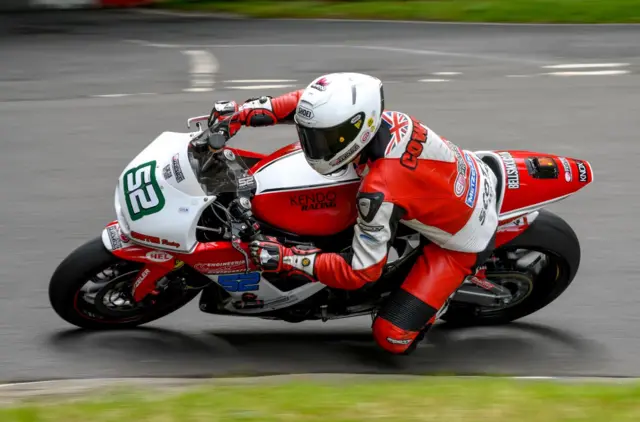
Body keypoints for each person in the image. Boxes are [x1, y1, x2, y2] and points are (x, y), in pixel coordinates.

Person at [207, 72, 499, 355]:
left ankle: (442, 297)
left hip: (463, 238)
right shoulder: (382, 121)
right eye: (312, 137)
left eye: (325, 139)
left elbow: (360, 272)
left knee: (392, 338)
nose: (314, 146)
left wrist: (287, 258)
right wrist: (242, 113)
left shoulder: (379, 189)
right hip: (449, 182)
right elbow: (307, 106)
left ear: (358, 130)